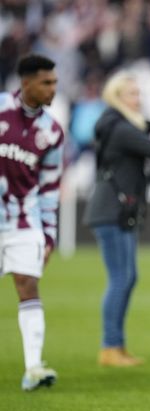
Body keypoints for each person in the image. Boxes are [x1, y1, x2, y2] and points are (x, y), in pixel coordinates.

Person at [83, 72, 150, 367]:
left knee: (126, 278)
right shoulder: (120, 128)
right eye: (132, 93)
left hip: (116, 210)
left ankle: (116, 346)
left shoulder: (118, 125)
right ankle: (109, 346)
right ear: (117, 97)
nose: (138, 98)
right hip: (112, 211)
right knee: (121, 279)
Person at [0, 54, 63, 391]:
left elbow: (51, 188)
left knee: (28, 285)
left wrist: (49, 235)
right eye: (46, 83)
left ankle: (34, 368)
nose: (53, 89)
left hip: (23, 221)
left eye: (54, 82)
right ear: (26, 83)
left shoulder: (51, 131)